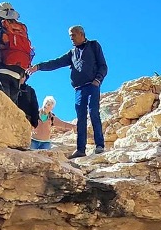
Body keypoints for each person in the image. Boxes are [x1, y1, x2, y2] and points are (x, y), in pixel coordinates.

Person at [28, 25, 108, 159]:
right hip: (79, 89)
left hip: (92, 85)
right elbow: (56, 63)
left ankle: (99, 145)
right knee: (81, 118)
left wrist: (97, 80)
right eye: (70, 36)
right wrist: (39, 67)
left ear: (81, 34)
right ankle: (81, 149)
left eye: (73, 35)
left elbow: (103, 66)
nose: (71, 38)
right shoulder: (72, 53)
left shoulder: (93, 45)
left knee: (94, 112)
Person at [0, 2, 33, 119]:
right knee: (11, 105)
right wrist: (25, 74)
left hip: (1, 66)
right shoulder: (20, 28)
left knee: (0, 101)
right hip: (18, 71)